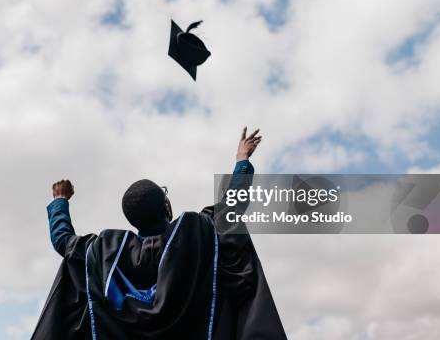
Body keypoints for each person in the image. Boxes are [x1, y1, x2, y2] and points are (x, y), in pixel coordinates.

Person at [32, 127, 287, 339]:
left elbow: (63, 242)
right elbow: (232, 205)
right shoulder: (196, 233)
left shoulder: (104, 252)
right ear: (166, 206)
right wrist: (242, 161)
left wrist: (60, 201)